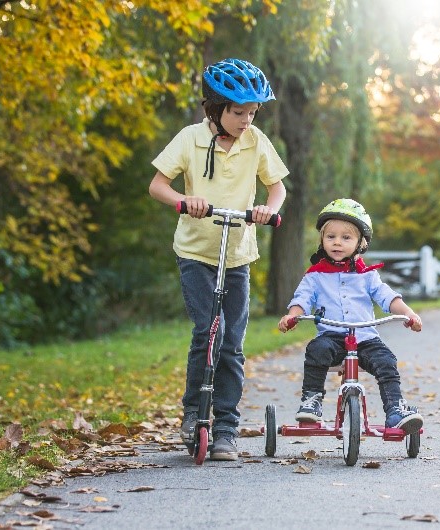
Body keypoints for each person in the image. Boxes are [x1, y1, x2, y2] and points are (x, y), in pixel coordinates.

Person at [149, 58, 288, 461]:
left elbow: (277, 189)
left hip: (238, 254)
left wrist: (267, 209)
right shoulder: (190, 138)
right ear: (215, 108)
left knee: (231, 342)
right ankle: (194, 413)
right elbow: (158, 185)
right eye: (238, 112)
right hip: (196, 251)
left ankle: (225, 425)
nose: (246, 120)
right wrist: (183, 200)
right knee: (208, 329)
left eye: (252, 113)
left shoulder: (256, 141)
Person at [277, 199, 424, 434]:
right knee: (317, 350)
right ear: (322, 241)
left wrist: (408, 314)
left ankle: (395, 409)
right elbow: (302, 299)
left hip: (365, 338)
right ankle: (311, 401)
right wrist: (292, 316)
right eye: (331, 236)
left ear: (360, 243)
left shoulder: (367, 276)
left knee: (386, 361)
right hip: (332, 337)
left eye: (346, 237)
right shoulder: (315, 276)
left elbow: (387, 297)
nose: (337, 242)